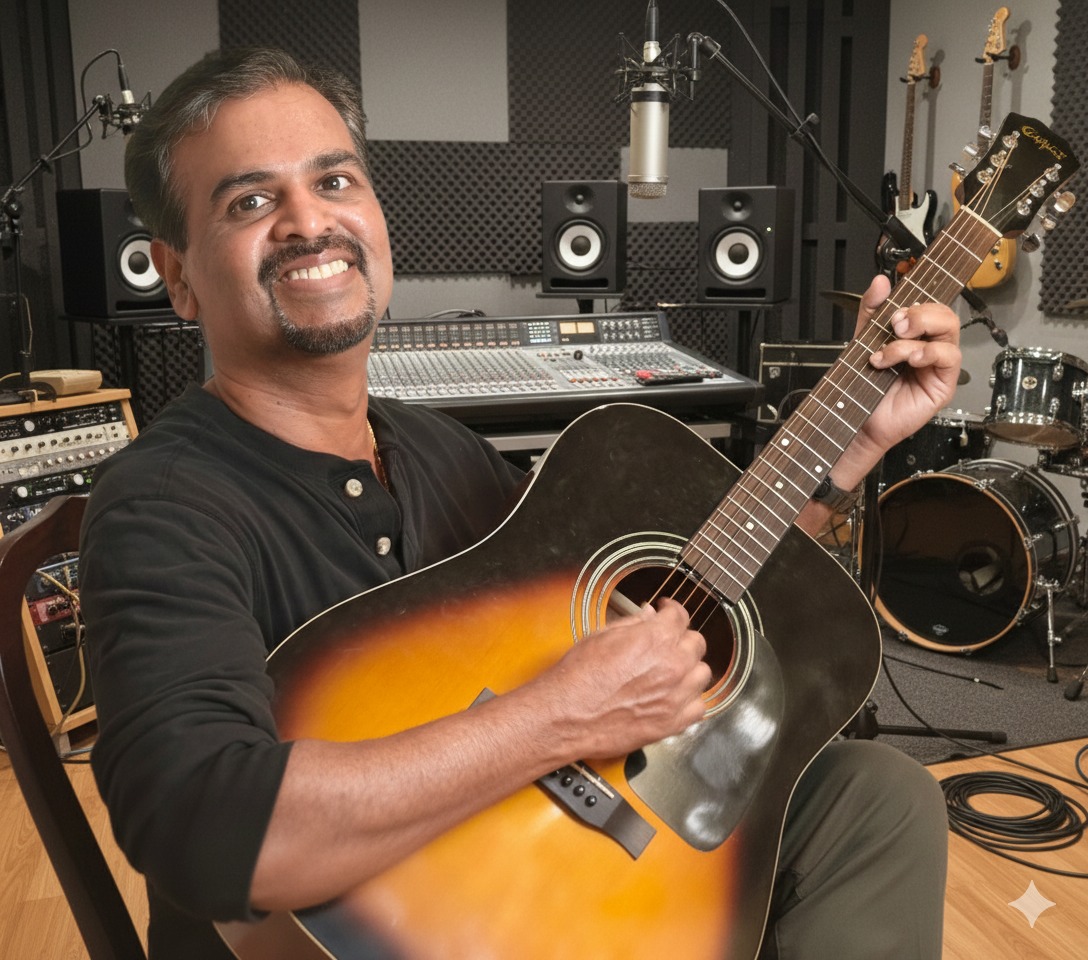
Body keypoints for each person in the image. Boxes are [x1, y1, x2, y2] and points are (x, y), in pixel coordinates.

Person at [80, 47, 960, 960]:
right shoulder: (160, 507)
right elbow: (208, 831)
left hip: (536, 863)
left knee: (877, 795)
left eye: (334, 181)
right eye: (249, 202)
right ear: (176, 276)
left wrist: (844, 453)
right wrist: (561, 714)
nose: (309, 222)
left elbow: (677, 607)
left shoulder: (442, 451)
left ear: (376, 216)